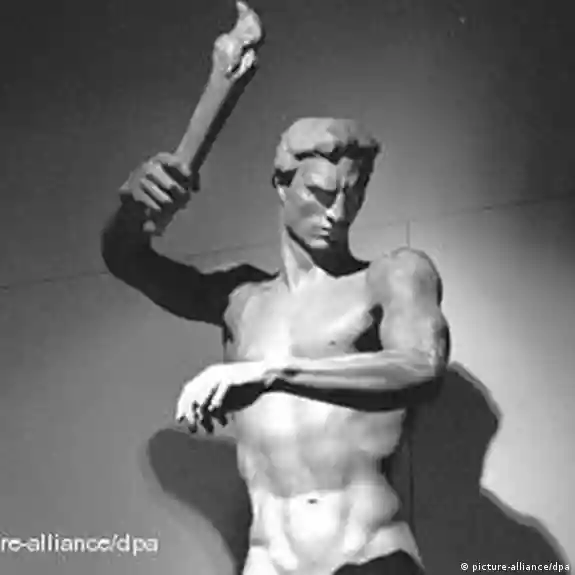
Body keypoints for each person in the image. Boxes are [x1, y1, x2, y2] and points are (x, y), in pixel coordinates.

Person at [101, 117, 450, 575]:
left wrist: (271, 372)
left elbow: (422, 366)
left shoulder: (390, 277)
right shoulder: (240, 300)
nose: (339, 212)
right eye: (321, 193)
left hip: (370, 557)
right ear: (283, 186)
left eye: (354, 193)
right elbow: (126, 259)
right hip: (268, 562)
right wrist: (133, 207)